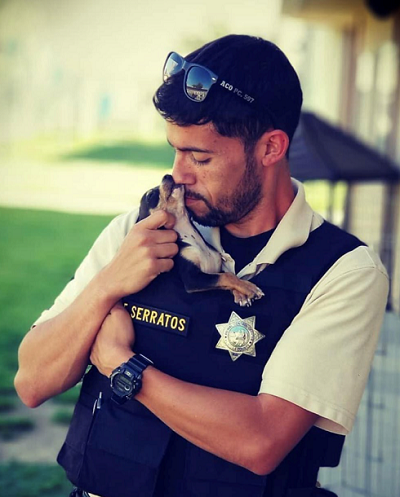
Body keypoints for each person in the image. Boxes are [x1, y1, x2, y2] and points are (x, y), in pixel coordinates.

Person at [15, 35, 389, 497]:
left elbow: (261, 440)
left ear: (271, 148)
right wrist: (109, 284)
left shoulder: (344, 272)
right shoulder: (139, 230)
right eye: (175, 149)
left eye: (200, 156)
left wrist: (121, 365)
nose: (179, 173)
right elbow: (31, 381)